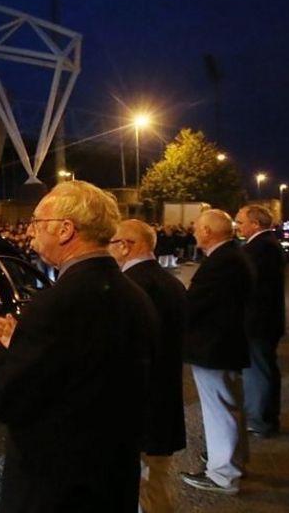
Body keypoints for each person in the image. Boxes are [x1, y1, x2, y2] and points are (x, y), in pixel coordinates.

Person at [0, 180, 155, 513]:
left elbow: (10, 397)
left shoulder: (55, 304)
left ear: (65, 230)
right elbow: (83, 363)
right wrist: (19, 339)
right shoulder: (134, 294)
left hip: (60, 481)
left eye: (37, 222)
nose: (31, 231)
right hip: (113, 470)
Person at [109, 220, 188, 513]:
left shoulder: (129, 288)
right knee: (156, 480)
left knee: (144, 489)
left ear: (125, 246)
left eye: (110, 243)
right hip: (164, 400)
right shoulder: (172, 282)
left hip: (139, 408)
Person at [180, 209, 253, 495]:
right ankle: (233, 462)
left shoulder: (223, 261)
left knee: (219, 411)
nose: (195, 231)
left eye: (197, 227)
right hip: (224, 344)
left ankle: (223, 474)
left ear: (209, 231)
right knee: (228, 407)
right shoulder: (231, 256)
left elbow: (196, 304)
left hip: (215, 346)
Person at [235, 204, 286, 438]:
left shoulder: (261, 247)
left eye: (241, 222)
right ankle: (264, 417)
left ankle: (260, 420)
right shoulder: (266, 245)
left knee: (258, 371)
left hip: (258, 322)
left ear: (255, 224)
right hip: (265, 320)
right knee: (263, 369)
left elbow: (248, 285)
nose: (238, 226)